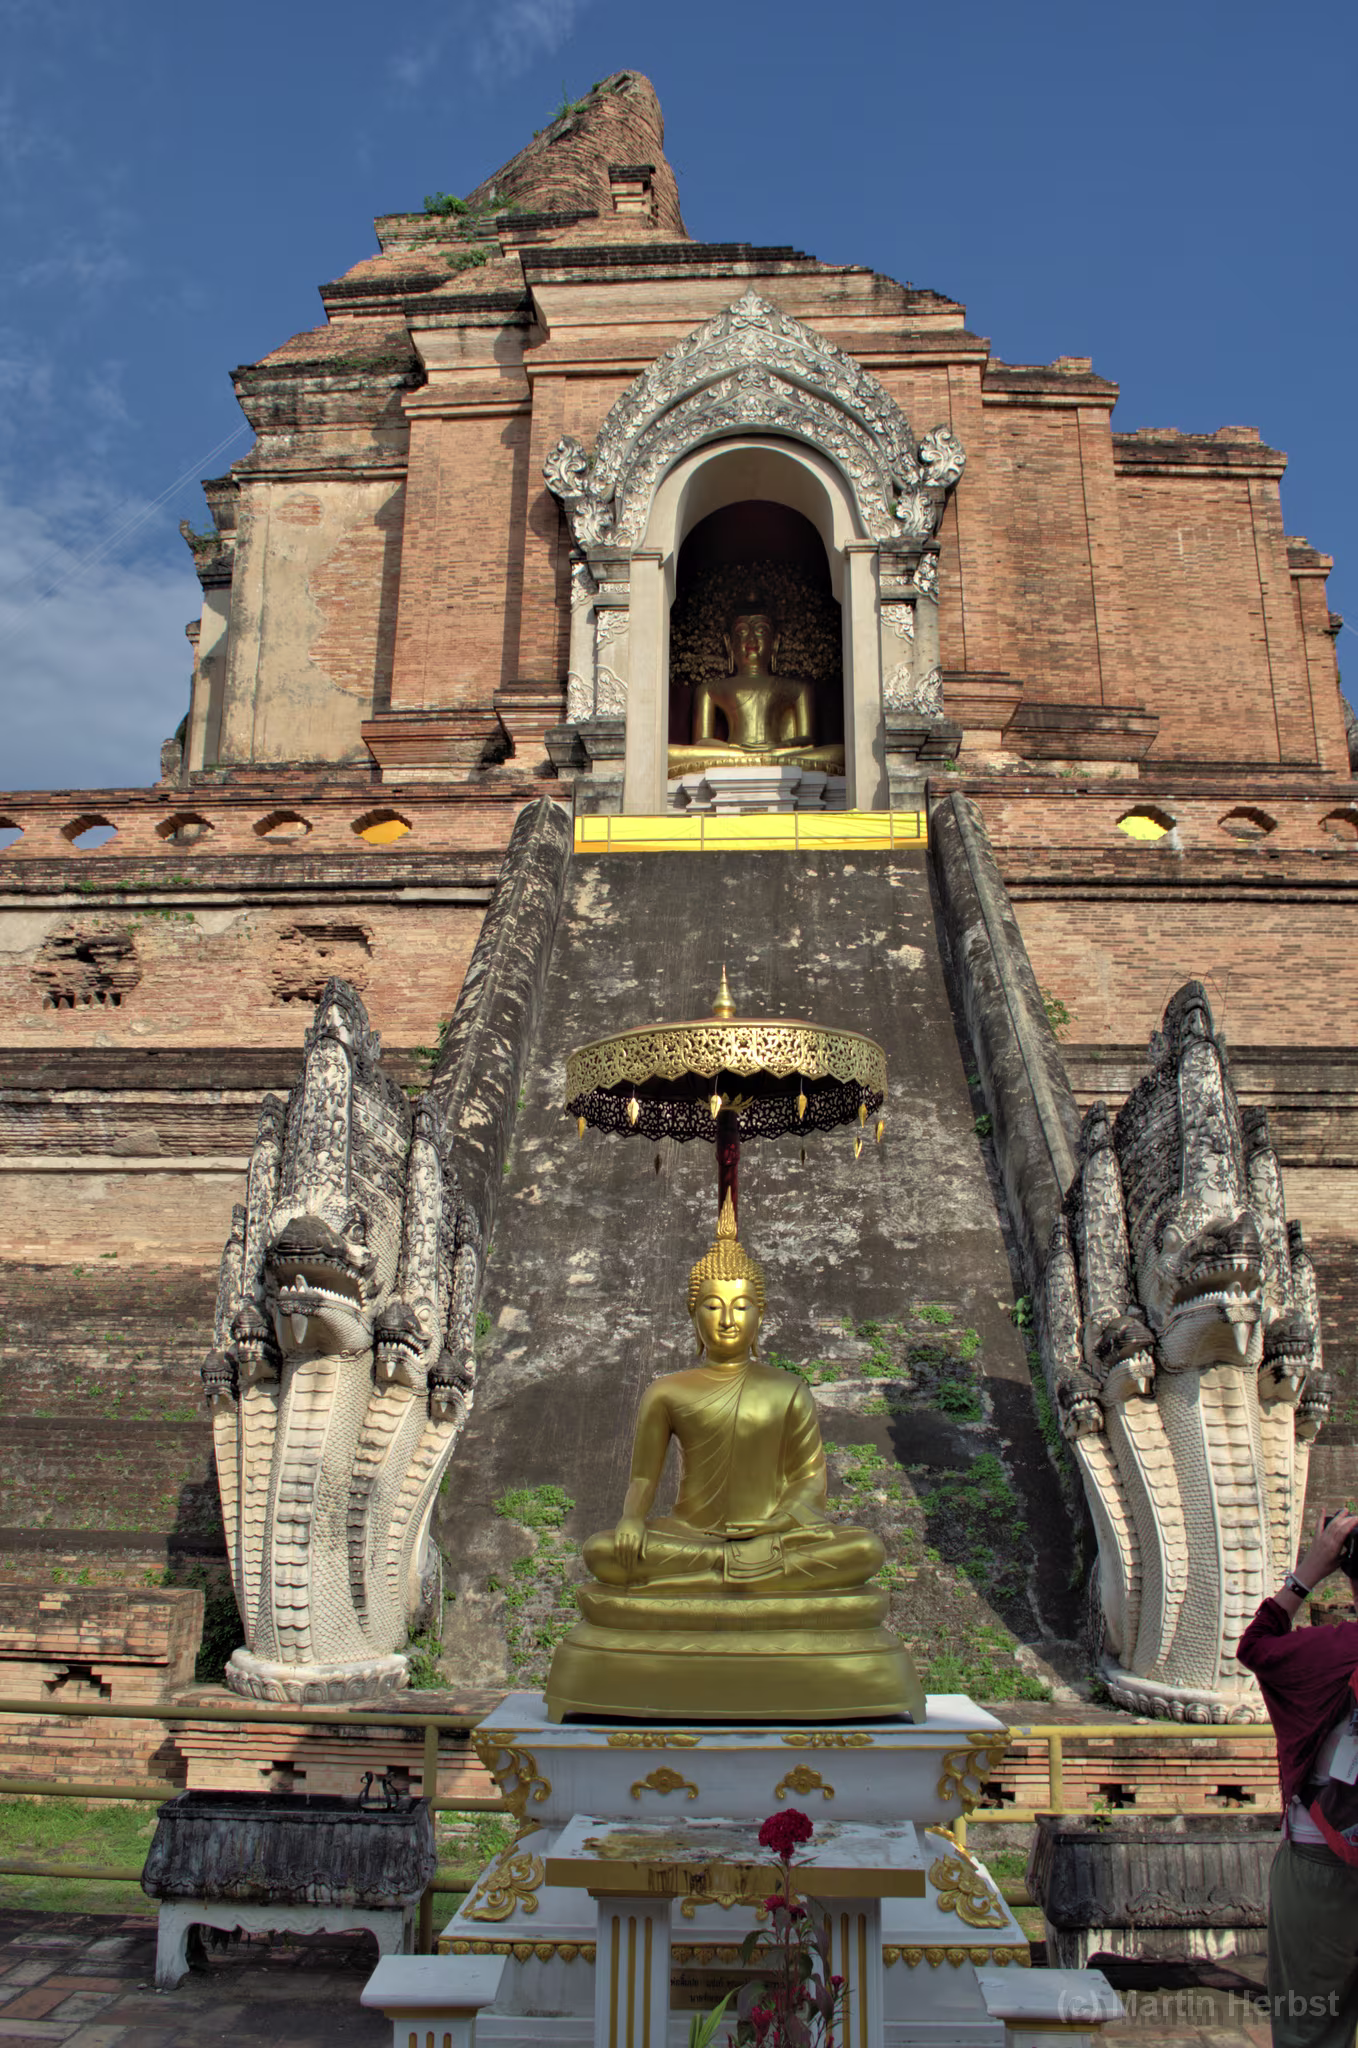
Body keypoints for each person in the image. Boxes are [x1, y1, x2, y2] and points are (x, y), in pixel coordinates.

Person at [1238, 1508, 1358, 2047]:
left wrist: (1309, 1570)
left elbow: (1255, 1647)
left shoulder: (1331, 1651)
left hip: (1322, 1858)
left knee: (1309, 2031)